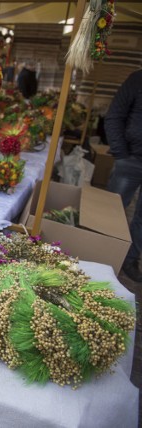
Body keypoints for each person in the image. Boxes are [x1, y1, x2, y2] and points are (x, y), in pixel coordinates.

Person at [105, 69, 142, 282]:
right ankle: (103, 253)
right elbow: (115, 115)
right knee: (111, 212)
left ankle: (130, 260)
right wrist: (121, 153)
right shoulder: (137, 79)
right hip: (130, 158)